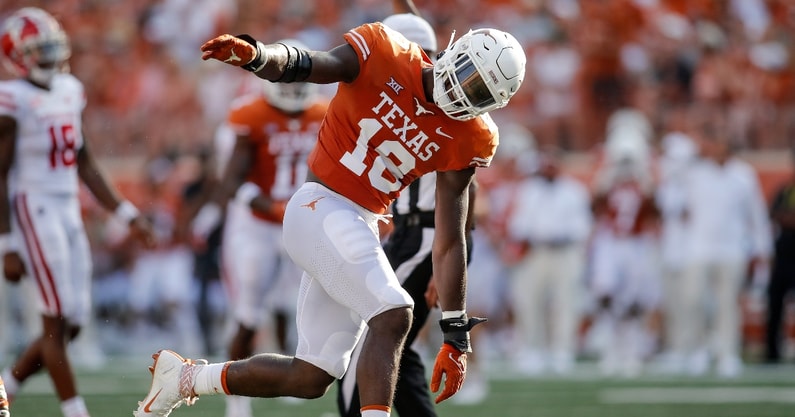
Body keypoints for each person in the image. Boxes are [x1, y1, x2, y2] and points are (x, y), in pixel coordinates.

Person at [134, 14, 526, 417]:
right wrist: (259, 56)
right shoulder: (386, 52)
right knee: (394, 313)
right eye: (469, 76)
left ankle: (185, 378)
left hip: (360, 224)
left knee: (310, 377)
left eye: (481, 94)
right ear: (455, 52)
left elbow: (450, 237)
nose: (465, 92)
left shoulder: (471, 134)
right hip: (320, 205)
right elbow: (309, 64)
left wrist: (456, 332)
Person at [0, 7, 155, 417]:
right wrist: (6, 243)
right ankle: (75, 411)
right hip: (33, 208)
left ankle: (5, 388)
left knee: (73, 322)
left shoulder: (70, 89)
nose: (49, 56)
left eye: (50, 47)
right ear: (17, 56)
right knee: (54, 322)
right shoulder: (12, 99)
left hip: (67, 205)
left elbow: (84, 161)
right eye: (38, 49)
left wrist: (126, 214)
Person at [335, 6, 479, 416]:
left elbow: (467, 193)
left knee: (370, 336)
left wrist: (445, 268)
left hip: (428, 237)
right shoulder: (406, 85)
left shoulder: (446, 99)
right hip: (408, 234)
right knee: (398, 347)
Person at [190, 40, 328, 417]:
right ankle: (236, 396)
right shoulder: (249, 114)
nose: (293, 90)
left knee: (293, 303)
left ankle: (288, 374)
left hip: (298, 222)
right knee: (249, 312)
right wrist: (272, 206)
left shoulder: (323, 113)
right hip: (255, 225)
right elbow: (232, 181)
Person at [506, 145, 592, 376]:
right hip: (535, 250)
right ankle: (532, 349)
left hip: (565, 251)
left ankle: (562, 350)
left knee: (566, 302)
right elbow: (517, 223)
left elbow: (582, 225)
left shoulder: (574, 190)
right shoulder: (528, 190)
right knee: (528, 301)